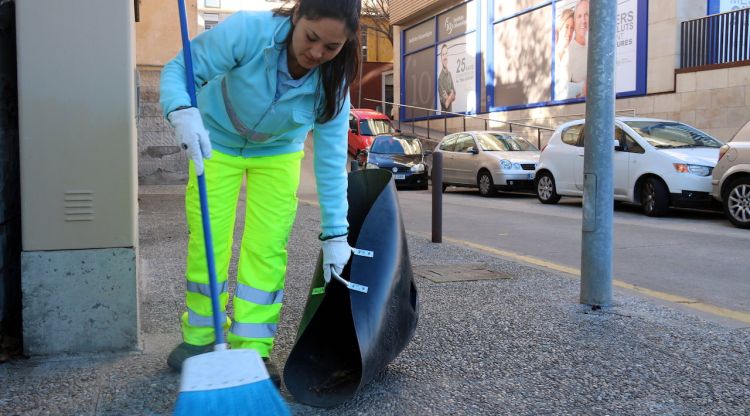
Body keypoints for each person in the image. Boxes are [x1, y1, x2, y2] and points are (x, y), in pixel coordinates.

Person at [159, 0, 361, 384]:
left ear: (346, 43)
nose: (317, 53)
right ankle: (202, 339)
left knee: (267, 249)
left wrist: (336, 233)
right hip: (214, 140)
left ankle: (251, 350)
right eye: (312, 38)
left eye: (331, 47)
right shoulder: (249, 31)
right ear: (297, 16)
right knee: (208, 239)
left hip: (278, 152)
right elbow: (182, 68)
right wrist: (182, 110)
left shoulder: (334, 82)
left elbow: (332, 163)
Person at [566, 0, 589, 98]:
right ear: (574, 22)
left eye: (587, 15)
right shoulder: (568, 51)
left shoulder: (595, 50)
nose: (583, 20)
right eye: (579, 16)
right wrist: (582, 88)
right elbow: (561, 91)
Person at [554, 8, 574, 100]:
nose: (569, 33)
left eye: (572, 28)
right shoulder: (550, 55)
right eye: (566, 27)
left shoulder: (571, 58)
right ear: (560, 27)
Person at [437, 44, 456, 113]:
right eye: (443, 54)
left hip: (451, 114)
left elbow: (454, 97)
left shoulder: (449, 74)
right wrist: (451, 94)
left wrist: (449, 97)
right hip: (444, 117)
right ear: (441, 58)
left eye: (446, 54)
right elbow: (446, 104)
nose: (445, 57)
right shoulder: (440, 79)